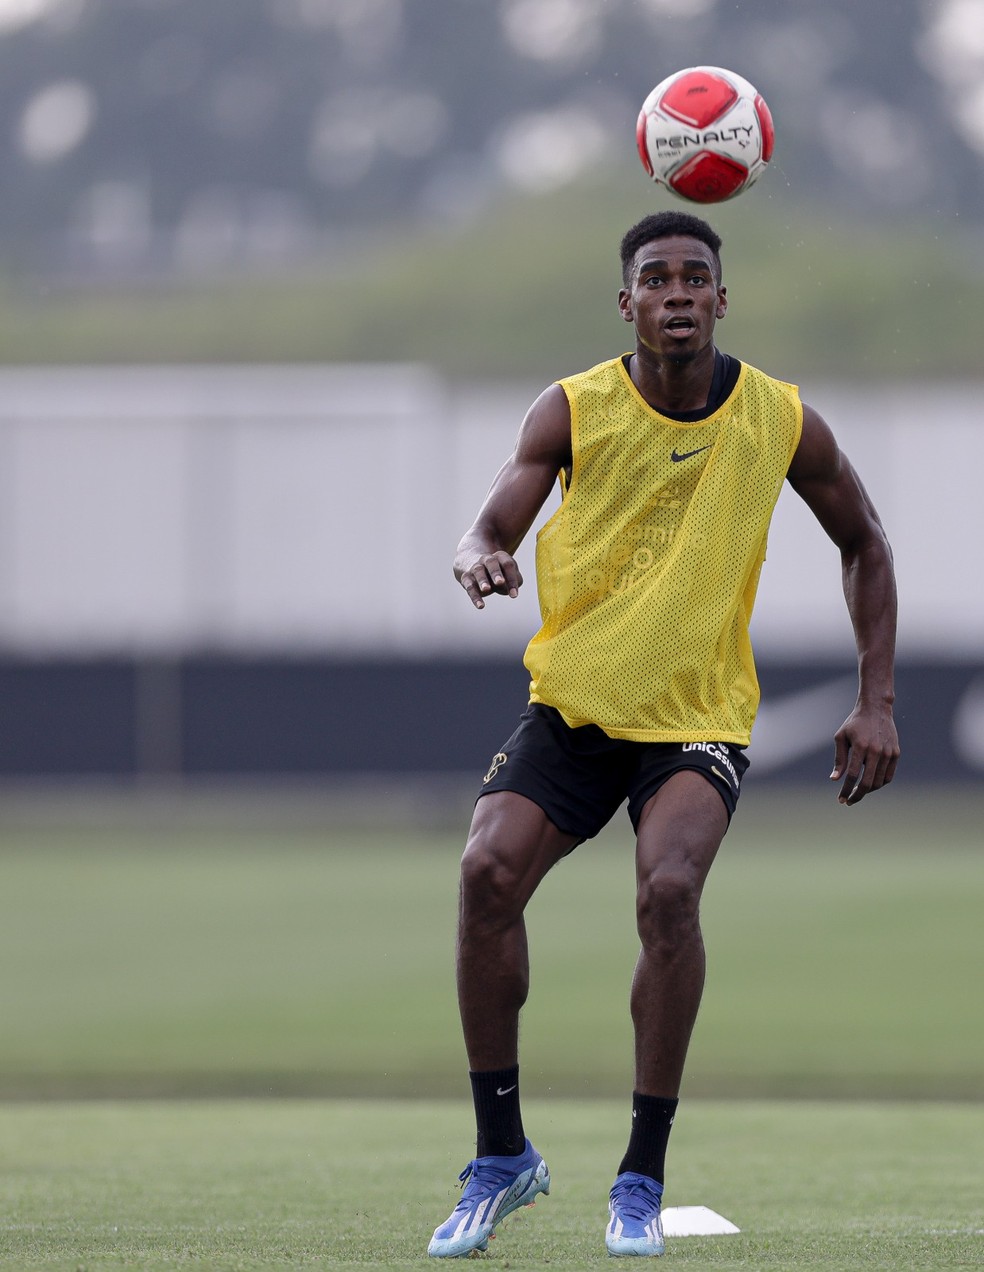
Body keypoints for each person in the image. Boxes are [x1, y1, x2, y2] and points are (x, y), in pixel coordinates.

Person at [427, 210, 899, 1259]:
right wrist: (475, 555)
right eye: (657, 279)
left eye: (697, 279)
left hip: (695, 716)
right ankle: (502, 1158)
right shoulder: (574, 407)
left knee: (669, 891)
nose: (678, 294)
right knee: (485, 875)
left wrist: (878, 698)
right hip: (576, 705)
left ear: (722, 300)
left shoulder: (780, 417)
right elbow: (491, 523)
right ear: (627, 301)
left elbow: (864, 539)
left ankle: (640, 1177)